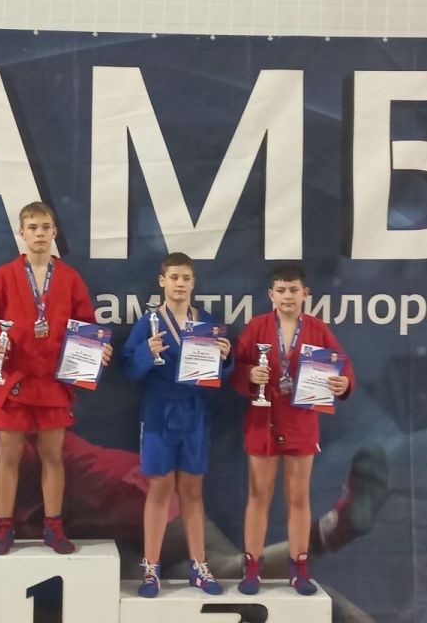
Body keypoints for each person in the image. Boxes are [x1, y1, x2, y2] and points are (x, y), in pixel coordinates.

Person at [0, 201, 112, 556]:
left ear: (54, 233)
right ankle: (4, 527)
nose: (39, 233)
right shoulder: (3, 276)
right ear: (22, 233)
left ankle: (54, 526)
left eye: (45, 227)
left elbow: (86, 323)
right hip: (16, 377)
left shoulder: (69, 278)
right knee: (9, 454)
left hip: (52, 380)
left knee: (53, 455)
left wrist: (95, 350)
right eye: (33, 227)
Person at [232, 263, 355, 595]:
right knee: (258, 495)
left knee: (298, 496)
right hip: (263, 420)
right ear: (271, 295)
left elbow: (342, 366)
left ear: (305, 294)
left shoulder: (318, 329)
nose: (287, 296)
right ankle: (252, 568)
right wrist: (248, 376)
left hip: (300, 420)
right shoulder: (256, 327)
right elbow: (236, 367)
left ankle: (299, 568)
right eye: (281, 290)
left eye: (293, 290)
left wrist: (344, 383)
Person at [121, 252, 233, 598]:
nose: (180, 284)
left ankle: (199, 566)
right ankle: (151, 568)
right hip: (159, 413)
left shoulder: (206, 322)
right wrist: (146, 351)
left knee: (192, 492)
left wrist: (225, 358)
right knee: (159, 489)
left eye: (186, 278)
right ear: (162, 281)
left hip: (194, 413)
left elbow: (219, 376)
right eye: (174, 277)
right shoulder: (149, 323)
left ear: (193, 283)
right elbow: (129, 370)